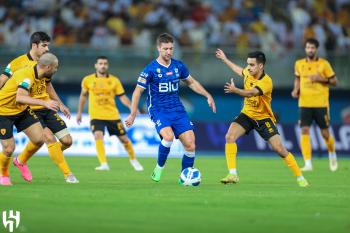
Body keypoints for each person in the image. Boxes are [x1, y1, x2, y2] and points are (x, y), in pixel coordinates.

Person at [125, 33, 216, 183]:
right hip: (158, 109)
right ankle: (159, 169)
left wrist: (207, 95)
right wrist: (133, 113)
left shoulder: (178, 66)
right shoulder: (150, 69)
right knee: (168, 137)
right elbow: (137, 91)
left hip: (178, 110)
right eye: (165, 48)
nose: (169, 52)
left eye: (171, 48)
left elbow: (192, 82)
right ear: (158, 48)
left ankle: (184, 178)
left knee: (190, 145)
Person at [216, 49, 309, 187]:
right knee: (229, 136)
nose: (248, 67)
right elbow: (239, 70)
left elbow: (251, 93)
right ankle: (233, 174)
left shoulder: (266, 82)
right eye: (248, 64)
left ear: (260, 66)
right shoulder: (248, 72)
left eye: (252, 65)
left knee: (279, 149)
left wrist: (236, 90)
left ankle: (300, 177)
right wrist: (225, 59)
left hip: (264, 119)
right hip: (247, 114)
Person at [0, 32, 78, 183]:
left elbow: (48, 86)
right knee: (16, 145)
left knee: (62, 141)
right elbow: (4, 79)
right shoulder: (19, 64)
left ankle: (21, 161)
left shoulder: (46, 66)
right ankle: (4, 174)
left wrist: (60, 104)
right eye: (44, 45)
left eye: (48, 45)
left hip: (34, 107)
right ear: (34, 45)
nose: (47, 48)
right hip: (20, 106)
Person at [76, 56, 143, 171]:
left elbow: (122, 97)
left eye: (105, 63)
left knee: (124, 139)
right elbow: (83, 96)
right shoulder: (88, 80)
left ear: (107, 66)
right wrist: (79, 112)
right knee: (98, 135)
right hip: (96, 115)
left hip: (112, 115)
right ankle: (103, 164)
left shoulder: (114, 80)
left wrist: (132, 108)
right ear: (96, 65)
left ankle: (133, 160)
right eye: (100, 63)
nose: (103, 65)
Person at [292, 38, 338, 172]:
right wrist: (296, 90)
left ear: (316, 49)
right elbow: (297, 79)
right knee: (304, 130)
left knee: (325, 133)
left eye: (312, 48)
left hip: (321, 104)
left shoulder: (324, 64)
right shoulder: (299, 64)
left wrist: (321, 79)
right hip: (304, 103)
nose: (310, 50)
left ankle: (332, 153)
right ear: (305, 49)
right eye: (308, 47)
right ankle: (308, 163)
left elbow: (335, 81)